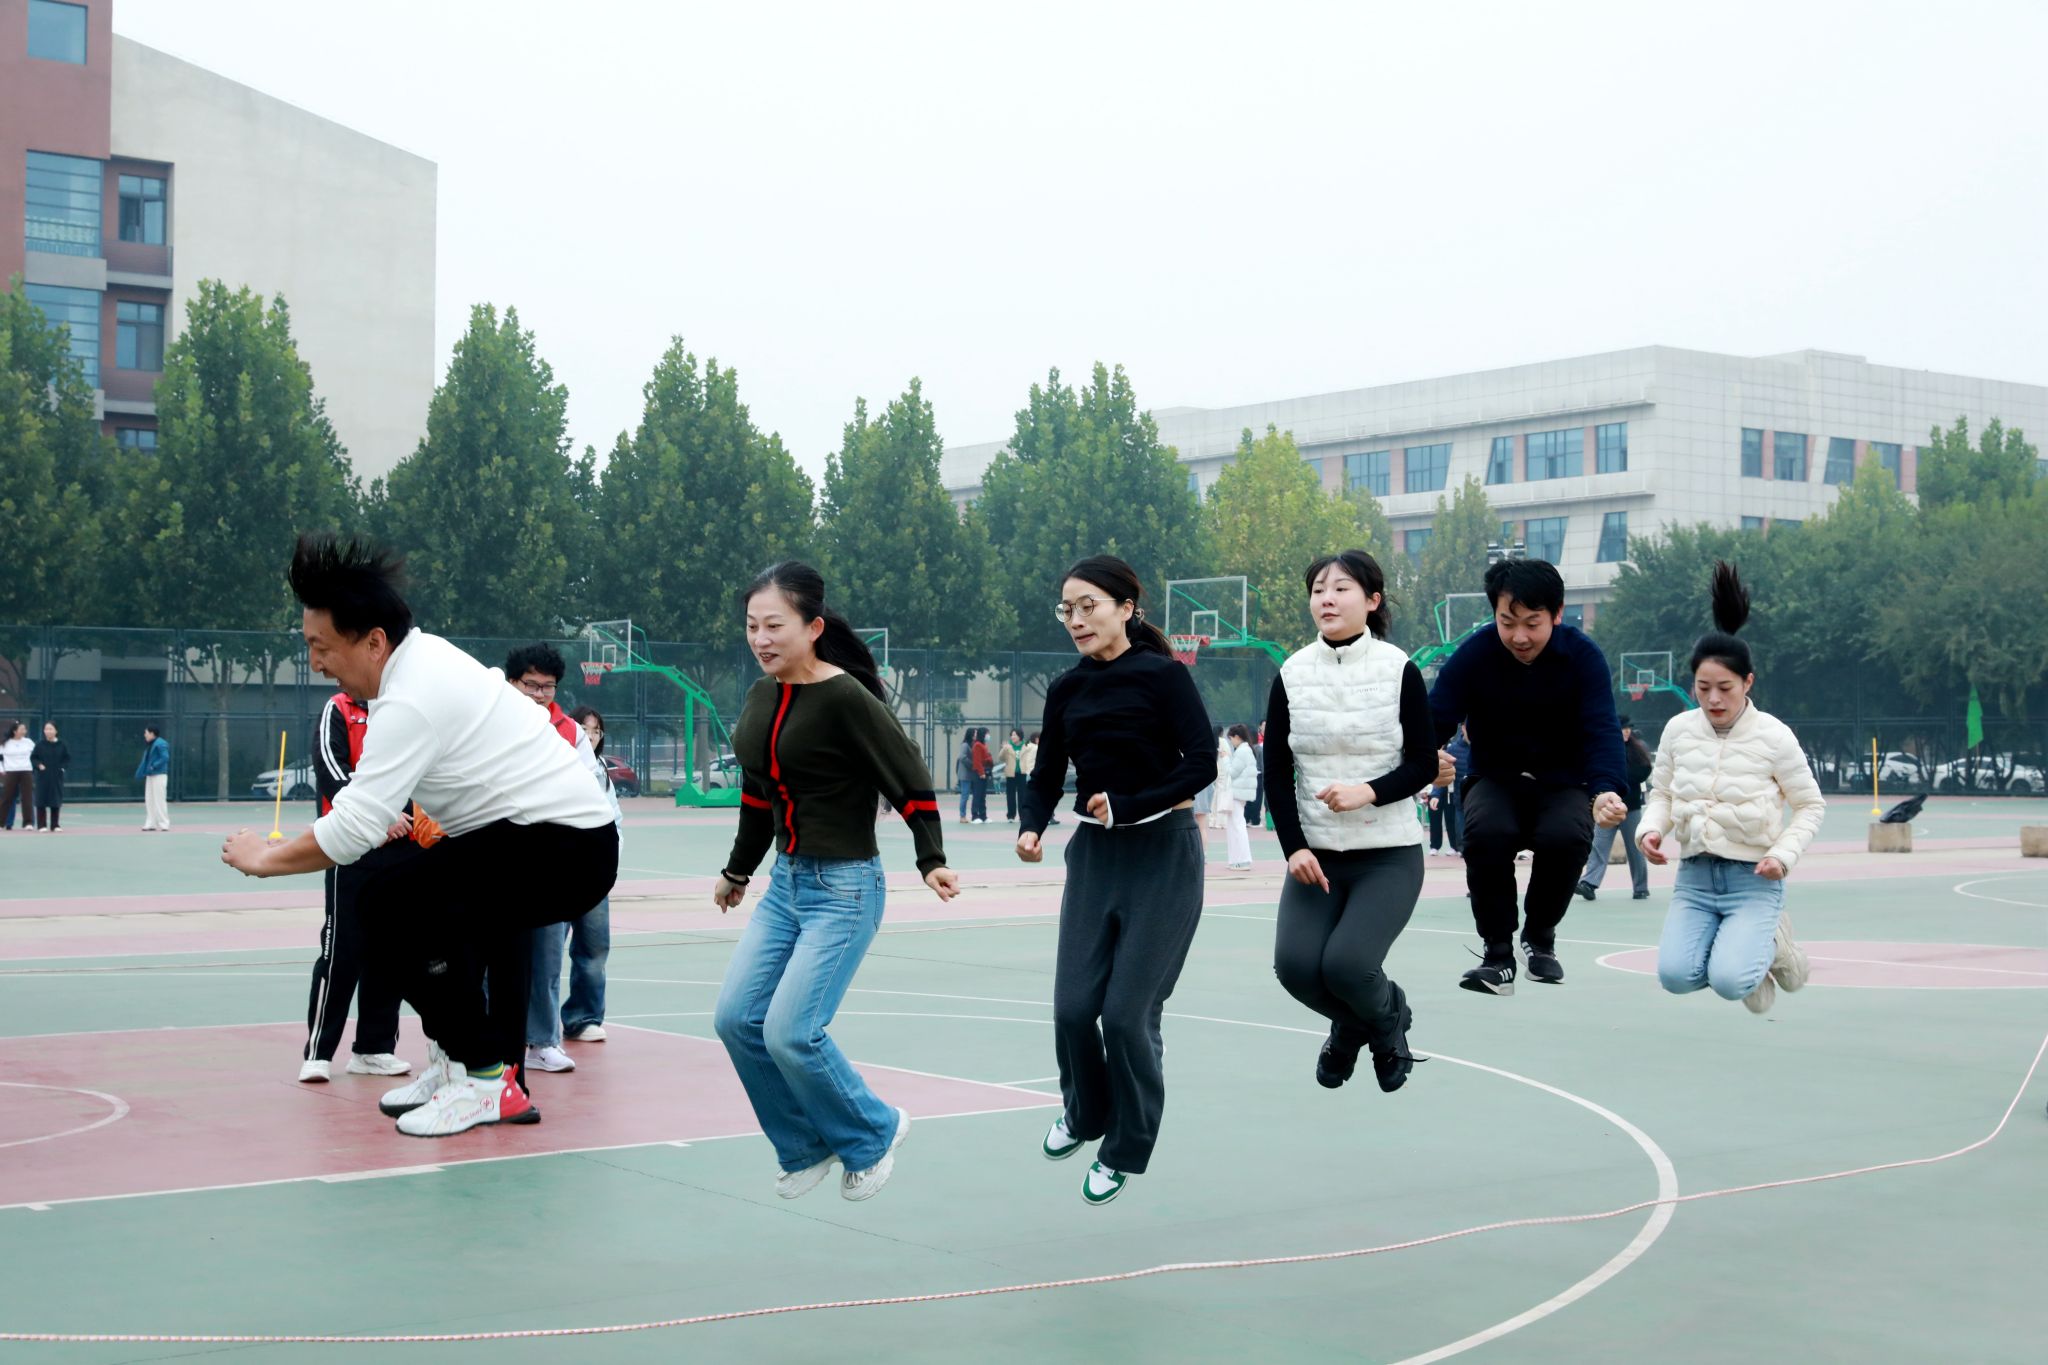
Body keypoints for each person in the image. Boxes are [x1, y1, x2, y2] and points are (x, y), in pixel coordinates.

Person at [221, 533, 618, 1138]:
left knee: (388, 906)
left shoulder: (409, 697)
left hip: (563, 846)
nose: (317, 663)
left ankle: (485, 1080)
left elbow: (353, 828)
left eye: (321, 647)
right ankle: (464, 1066)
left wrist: (264, 858)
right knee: (418, 907)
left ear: (373, 641)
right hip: (528, 836)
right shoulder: (420, 660)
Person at [711, 561, 958, 1204]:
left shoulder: (846, 698)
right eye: (752, 626)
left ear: (813, 627)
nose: (761, 639)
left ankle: (874, 1131)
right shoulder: (760, 697)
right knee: (736, 1020)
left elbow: (906, 773)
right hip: (785, 886)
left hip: (843, 890)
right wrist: (738, 869)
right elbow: (758, 795)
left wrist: (930, 857)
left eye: (774, 625)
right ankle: (803, 1145)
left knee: (791, 1032)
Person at [1017, 555, 1212, 1207]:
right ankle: (1084, 1114)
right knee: (1073, 1009)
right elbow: (1047, 774)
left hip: (1164, 856)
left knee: (1126, 1016)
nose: (1076, 619)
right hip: (1095, 858)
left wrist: (1130, 805)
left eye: (1088, 606)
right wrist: (1032, 826)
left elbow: (1202, 763)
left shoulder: (1164, 677)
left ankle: (1125, 1148)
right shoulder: (1066, 689)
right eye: (1066, 609)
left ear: (1127, 608)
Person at [1266, 550, 1434, 1092]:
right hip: (1316, 857)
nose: (1327, 599)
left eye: (1341, 588)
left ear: (1372, 600)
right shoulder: (1292, 673)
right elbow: (1277, 771)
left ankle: (1366, 1028)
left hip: (1387, 854)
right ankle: (1380, 1018)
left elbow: (1424, 764)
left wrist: (1368, 792)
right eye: (1318, 589)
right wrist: (1294, 847)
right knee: (1295, 969)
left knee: (1348, 965)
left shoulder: (1399, 669)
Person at [1429, 558, 1628, 995]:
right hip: (1495, 776)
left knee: (1567, 836)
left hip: (1564, 781)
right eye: (1508, 622)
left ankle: (1539, 937)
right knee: (1486, 833)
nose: (1520, 636)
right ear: (1495, 616)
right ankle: (1498, 954)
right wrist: (1428, 758)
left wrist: (1607, 789)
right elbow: (1435, 715)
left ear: (1556, 614)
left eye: (1532, 623)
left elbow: (1601, 728)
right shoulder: (1476, 655)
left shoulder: (1583, 657)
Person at [1641, 562, 1824, 1014]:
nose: (1713, 699)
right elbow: (1662, 793)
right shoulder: (1679, 730)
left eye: (1725, 687)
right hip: (1694, 878)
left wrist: (1782, 856)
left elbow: (1809, 805)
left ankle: (1771, 943)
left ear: (1748, 682)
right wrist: (1651, 829)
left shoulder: (1774, 736)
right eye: (1703, 687)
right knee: (1675, 977)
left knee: (1729, 982)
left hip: (1754, 879)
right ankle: (1746, 956)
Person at [300, 688, 417, 1083]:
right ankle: (318, 1052)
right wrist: (381, 817)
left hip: (402, 851)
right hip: (349, 848)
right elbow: (332, 775)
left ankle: (374, 1048)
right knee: (340, 952)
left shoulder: (406, 707)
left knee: (391, 953)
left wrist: (405, 817)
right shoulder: (338, 709)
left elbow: (422, 772)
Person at [501, 643, 607, 1077]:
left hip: (548, 861)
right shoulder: (489, 722)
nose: (540, 694)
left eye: (548, 687)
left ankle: (542, 1041)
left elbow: (584, 788)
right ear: (512, 682)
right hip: (495, 856)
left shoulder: (569, 732)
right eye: (531, 685)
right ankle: (483, 1042)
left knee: (546, 957)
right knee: (492, 956)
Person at [560, 705, 617, 1044]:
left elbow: (614, 820)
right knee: (545, 955)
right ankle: (536, 1028)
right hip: (557, 873)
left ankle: (584, 1017)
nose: (590, 736)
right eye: (584, 729)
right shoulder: (556, 764)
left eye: (596, 731)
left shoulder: (602, 771)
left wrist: (609, 861)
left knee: (594, 949)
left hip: (593, 874)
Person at [1577, 715, 1655, 901]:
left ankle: (1640, 888)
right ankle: (1589, 883)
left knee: (1635, 849)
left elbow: (1644, 769)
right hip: (1607, 807)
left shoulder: (1636, 750)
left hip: (1631, 808)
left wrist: (1622, 778)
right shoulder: (1606, 748)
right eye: (1623, 728)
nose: (1627, 731)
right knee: (1598, 846)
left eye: (1628, 728)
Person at [1221, 723, 1258, 869]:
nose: (1231, 742)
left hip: (1237, 793)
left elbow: (1232, 772)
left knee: (1237, 826)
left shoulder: (1242, 751)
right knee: (1235, 825)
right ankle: (1237, 860)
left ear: (1237, 737)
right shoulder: (1246, 750)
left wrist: (1225, 758)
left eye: (1231, 739)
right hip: (1240, 793)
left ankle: (1242, 860)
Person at [31, 721, 69, 832]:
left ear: (56, 731)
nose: (48, 731)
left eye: (51, 729)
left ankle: (55, 825)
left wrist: (62, 768)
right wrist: (39, 765)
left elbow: (66, 759)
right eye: (46, 729)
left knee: (55, 800)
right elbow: (34, 758)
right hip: (42, 777)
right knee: (41, 800)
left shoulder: (62, 745)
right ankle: (41, 825)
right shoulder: (40, 745)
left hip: (56, 777)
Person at [135, 724, 170, 831]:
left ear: (152, 733)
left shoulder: (161, 743)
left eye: (146, 733)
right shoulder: (151, 744)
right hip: (150, 775)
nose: (144, 735)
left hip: (159, 775)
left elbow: (165, 757)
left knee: (159, 800)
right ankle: (151, 823)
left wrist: (153, 766)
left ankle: (164, 823)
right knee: (149, 800)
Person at [0, 721, 32, 830]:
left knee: (27, 797)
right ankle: (1, 823)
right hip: (10, 772)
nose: (24, 731)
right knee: (7, 797)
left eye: (25, 729)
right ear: (15, 731)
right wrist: (2, 770)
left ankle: (28, 823)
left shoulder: (28, 742)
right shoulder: (5, 743)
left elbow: (35, 756)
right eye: (21, 729)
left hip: (26, 771)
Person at [1001, 727, 1025, 822]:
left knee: (1022, 795)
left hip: (1022, 773)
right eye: (1011, 735)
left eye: (1014, 735)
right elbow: (1001, 758)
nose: (1012, 737)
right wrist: (1004, 749)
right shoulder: (1008, 746)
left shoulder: (1025, 746)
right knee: (1010, 795)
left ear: (1020, 736)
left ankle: (1022, 815)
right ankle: (1011, 815)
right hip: (1011, 773)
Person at [970, 727, 993, 823]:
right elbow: (977, 761)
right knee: (977, 795)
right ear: (983, 734)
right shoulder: (977, 745)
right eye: (987, 733)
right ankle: (975, 816)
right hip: (978, 774)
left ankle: (983, 816)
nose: (988, 735)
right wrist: (981, 773)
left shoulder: (983, 745)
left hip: (983, 773)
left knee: (983, 795)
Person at [955, 731, 975, 823]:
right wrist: (972, 765)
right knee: (965, 795)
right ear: (970, 735)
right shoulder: (965, 745)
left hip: (970, 775)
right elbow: (962, 757)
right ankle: (962, 816)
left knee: (967, 795)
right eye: (974, 733)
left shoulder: (972, 745)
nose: (976, 735)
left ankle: (968, 815)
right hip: (965, 775)